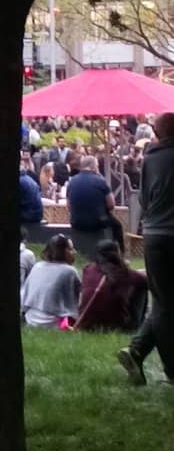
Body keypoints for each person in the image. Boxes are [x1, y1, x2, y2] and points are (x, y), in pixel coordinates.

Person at [118, 111, 174, 384]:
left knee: (164, 300)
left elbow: (145, 198)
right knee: (166, 303)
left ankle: (137, 350)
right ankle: (171, 368)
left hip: (153, 235)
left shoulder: (150, 157)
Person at [76, 240, 147, 333]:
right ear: (118, 253)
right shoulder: (126, 274)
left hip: (86, 326)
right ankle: (137, 326)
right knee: (141, 288)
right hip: (118, 327)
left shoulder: (88, 269)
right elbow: (145, 281)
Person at [21, 234, 81, 327]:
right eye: (71, 249)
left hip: (31, 318)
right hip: (54, 322)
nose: (75, 252)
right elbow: (78, 300)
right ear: (62, 251)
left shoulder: (38, 266)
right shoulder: (69, 271)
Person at [67, 155, 124, 251]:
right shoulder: (100, 181)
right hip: (97, 222)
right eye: (97, 166)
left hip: (76, 222)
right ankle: (119, 254)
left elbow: (68, 206)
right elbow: (111, 204)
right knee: (118, 226)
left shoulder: (72, 181)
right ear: (93, 166)